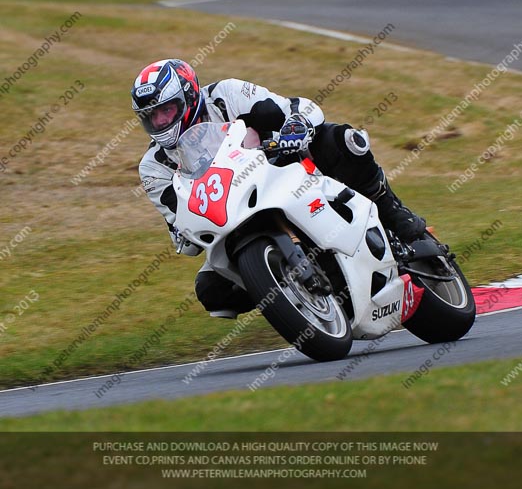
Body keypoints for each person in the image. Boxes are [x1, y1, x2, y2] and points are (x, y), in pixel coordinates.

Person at [132, 58, 426, 318]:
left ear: (189, 97)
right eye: (151, 117)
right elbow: (177, 223)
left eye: (167, 111)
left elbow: (298, 108)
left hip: (282, 171)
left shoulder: (226, 95)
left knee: (341, 140)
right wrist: (186, 234)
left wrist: (294, 127)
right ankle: (286, 295)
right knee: (211, 290)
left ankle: (392, 210)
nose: (160, 122)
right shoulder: (153, 167)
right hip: (232, 219)